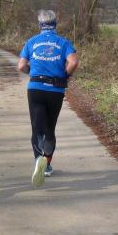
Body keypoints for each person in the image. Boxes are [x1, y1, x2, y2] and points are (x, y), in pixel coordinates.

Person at [17, 10, 79, 186]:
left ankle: (39, 159)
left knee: (37, 127)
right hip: (55, 90)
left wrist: (32, 72)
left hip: (35, 88)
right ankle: (47, 163)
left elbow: (21, 66)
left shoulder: (31, 42)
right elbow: (73, 62)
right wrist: (65, 76)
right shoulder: (63, 42)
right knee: (50, 127)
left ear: (40, 25)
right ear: (55, 24)